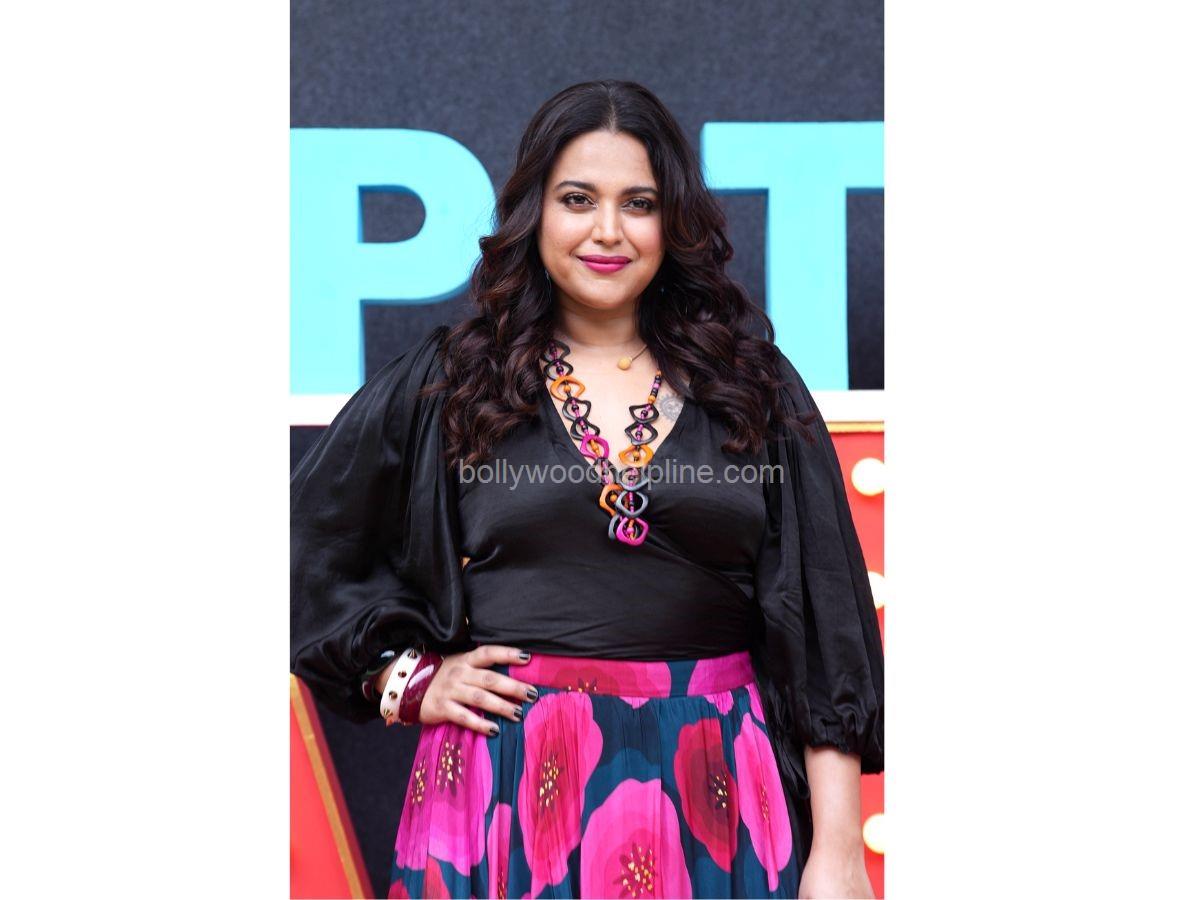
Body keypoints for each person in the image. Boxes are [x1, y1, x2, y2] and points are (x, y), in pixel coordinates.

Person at [291, 79, 884, 899]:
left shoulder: (754, 386)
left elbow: (822, 629)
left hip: (720, 784)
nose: (608, 231)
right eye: (578, 200)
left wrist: (840, 850)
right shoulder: (455, 380)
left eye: (639, 204)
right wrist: (409, 682)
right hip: (505, 785)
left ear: (674, 222)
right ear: (534, 213)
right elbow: (302, 547)